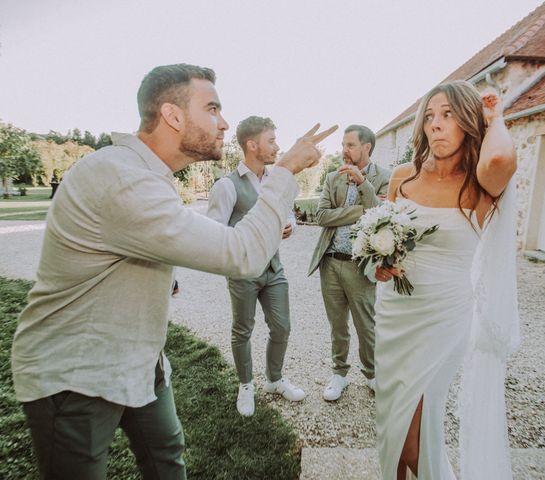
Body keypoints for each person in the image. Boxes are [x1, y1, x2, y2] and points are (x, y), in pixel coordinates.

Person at [11, 63, 336, 480]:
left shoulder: (146, 175)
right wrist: (286, 171)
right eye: (213, 109)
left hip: (144, 359)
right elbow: (241, 253)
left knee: (167, 458)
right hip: (77, 373)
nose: (224, 123)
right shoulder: (121, 177)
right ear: (173, 116)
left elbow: (142, 242)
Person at [374, 80, 518, 479]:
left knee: (412, 436)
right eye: (430, 115)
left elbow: (502, 159)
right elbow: (386, 243)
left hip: (444, 316)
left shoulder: (481, 184)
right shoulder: (403, 177)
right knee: (392, 419)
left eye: (449, 115)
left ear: (469, 123)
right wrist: (381, 265)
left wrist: (496, 118)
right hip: (395, 313)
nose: (436, 124)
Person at [208, 116, 305, 417]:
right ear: (252, 145)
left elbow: (289, 216)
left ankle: (274, 380)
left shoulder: (278, 179)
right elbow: (214, 234)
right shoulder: (227, 186)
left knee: (282, 326)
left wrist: (288, 226)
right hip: (243, 273)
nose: (277, 147)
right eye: (271, 141)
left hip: (274, 268)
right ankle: (246, 385)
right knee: (243, 330)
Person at [308, 125, 391, 401]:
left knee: (366, 324)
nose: (344, 150)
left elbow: (382, 216)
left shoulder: (384, 178)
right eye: (343, 144)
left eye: (351, 145)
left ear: (367, 147)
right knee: (337, 325)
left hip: (361, 265)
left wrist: (363, 185)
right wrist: (360, 210)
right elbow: (320, 216)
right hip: (330, 261)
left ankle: (372, 374)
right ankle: (339, 375)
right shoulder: (333, 177)